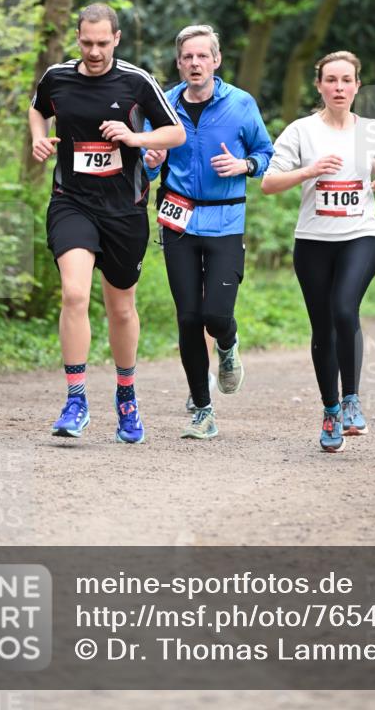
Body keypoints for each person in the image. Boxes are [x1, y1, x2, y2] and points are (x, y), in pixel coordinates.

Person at [29, 3, 185, 444]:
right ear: (77, 38)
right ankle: (76, 399)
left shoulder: (136, 81)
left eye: (102, 43)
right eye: (86, 42)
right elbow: (37, 109)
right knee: (75, 293)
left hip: (125, 210)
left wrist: (135, 137)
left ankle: (126, 396)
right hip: (72, 202)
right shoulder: (57, 77)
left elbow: (174, 133)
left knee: (120, 308)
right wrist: (40, 140)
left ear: (116, 39)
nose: (94, 51)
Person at [261, 51, 375, 452]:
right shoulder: (301, 131)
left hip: (361, 234)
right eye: (331, 80)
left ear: (358, 85)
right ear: (319, 85)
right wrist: (308, 171)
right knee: (322, 326)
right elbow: (269, 184)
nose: (339, 88)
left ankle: (352, 398)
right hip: (313, 240)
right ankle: (330, 410)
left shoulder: (372, 129)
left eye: (346, 80)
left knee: (344, 309)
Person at [144, 24, 274, 441]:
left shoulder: (240, 103)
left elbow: (265, 153)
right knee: (187, 318)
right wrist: (150, 160)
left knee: (215, 315)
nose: (195, 63)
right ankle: (202, 408)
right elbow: (147, 165)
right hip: (177, 220)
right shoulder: (163, 104)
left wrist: (244, 166)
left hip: (225, 222)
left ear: (216, 61)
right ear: (179, 63)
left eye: (203, 56)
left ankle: (228, 344)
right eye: (187, 57)